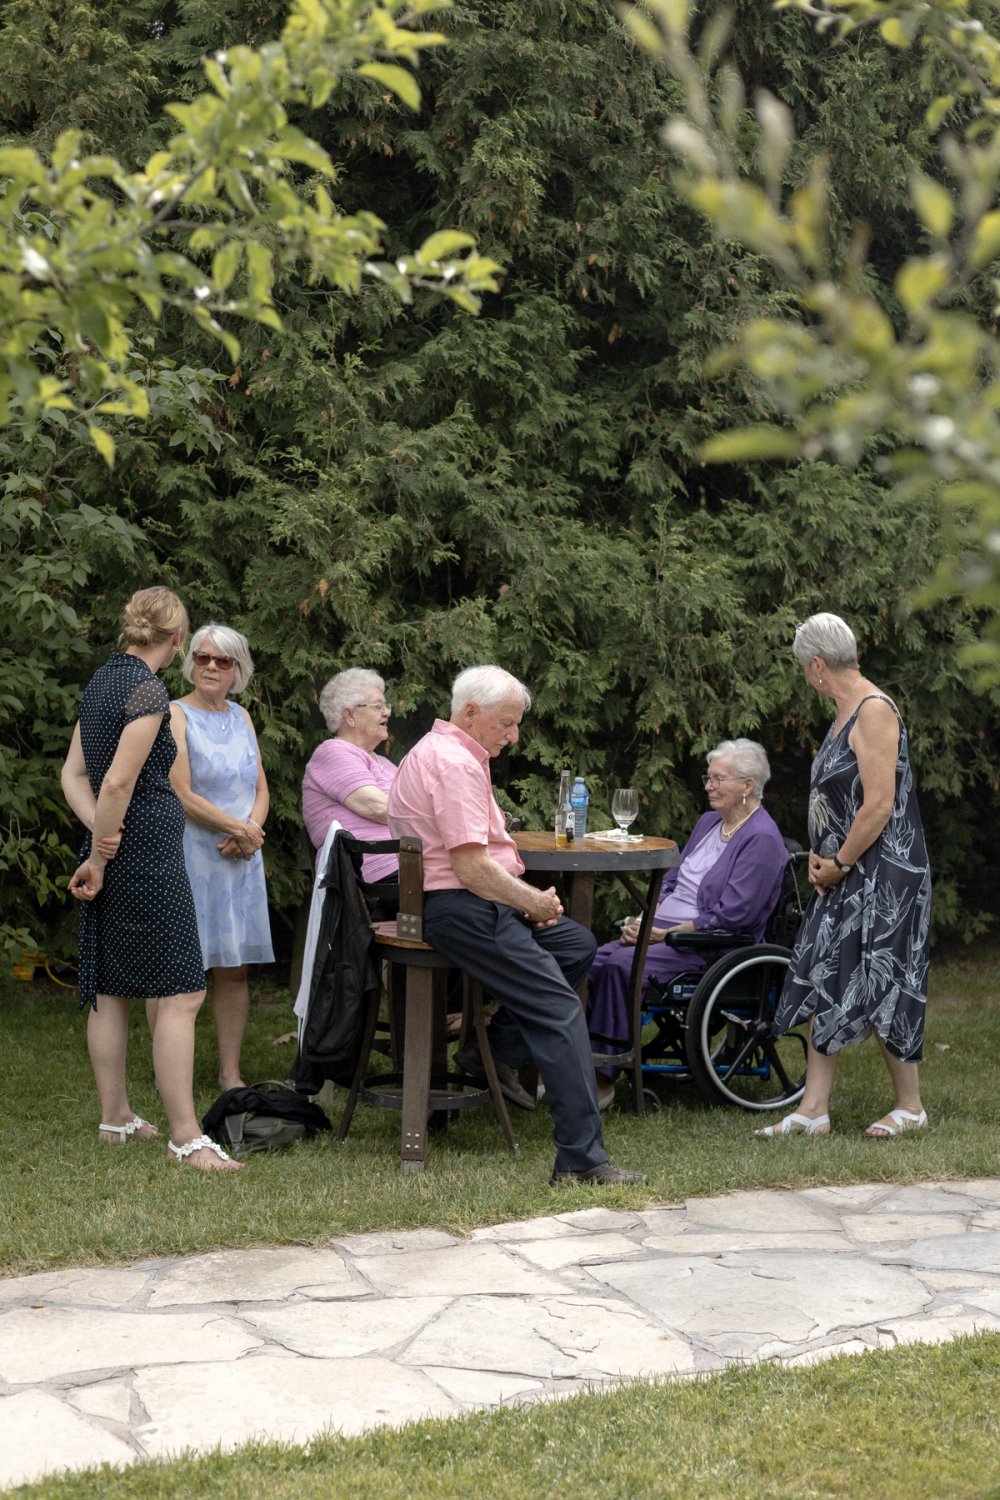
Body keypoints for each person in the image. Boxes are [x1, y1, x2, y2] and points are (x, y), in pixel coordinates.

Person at [386, 664, 644, 1187]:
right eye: (507, 723)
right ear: (471, 712)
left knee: (574, 944)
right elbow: (471, 869)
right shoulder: (454, 762)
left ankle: (494, 1053)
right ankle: (581, 1160)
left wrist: (526, 903)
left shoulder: (440, 752)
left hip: (461, 901)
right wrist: (531, 901)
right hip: (460, 907)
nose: (514, 735)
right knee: (556, 1007)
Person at [60, 586, 241, 1171]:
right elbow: (113, 782)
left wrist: (95, 838)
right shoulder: (146, 691)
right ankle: (187, 1137)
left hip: (115, 847)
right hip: (143, 856)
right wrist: (104, 850)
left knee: (109, 985)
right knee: (183, 992)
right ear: (177, 640)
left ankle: (115, 1117)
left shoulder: (101, 682)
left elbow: (73, 774)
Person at [758, 612, 931, 1139]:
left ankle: (911, 1107)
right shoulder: (843, 714)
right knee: (824, 971)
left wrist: (839, 862)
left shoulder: (874, 711)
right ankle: (814, 1109)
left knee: (884, 981)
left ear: (816, 665)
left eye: (802, 669)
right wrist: (822, 859)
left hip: (884, 875)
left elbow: (878, 805)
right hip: (845, 871)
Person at [587, 739, 787, 1109]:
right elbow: (673, 880)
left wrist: (667, 933)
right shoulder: (709, 822)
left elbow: (734, 916)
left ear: (747, 785)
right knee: (587, 961)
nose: (708, 786)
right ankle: (571, 1064)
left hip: (707, 946)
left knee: (618, 967)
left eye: (718, 779)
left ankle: (603, 1078)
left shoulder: (761, 839)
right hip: (663, 932)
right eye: (708, 778)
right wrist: (645, 919)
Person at [167, 623, 274, 1091]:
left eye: (222, 660)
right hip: (194, 854)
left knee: (235, 968)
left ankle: (231, 1074)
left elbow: (260, 787)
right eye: (202, 657)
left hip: (241, 857)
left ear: (238, 670)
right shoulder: (174, 715)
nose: (210, 666)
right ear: (190, 660)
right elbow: (181, 792)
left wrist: (249, 832)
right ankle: (168, 1071)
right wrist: (240, 830)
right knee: (177, 968)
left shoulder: (243, 716)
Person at [302, 669, 397, 884]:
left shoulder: (388, 765)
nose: (387, 713)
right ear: (349, 715)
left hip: (405, 867)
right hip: (369, 875)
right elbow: (377, 807)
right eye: (377, 706)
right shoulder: (334, 752)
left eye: (386, 705)